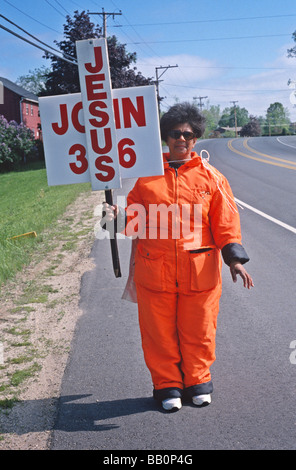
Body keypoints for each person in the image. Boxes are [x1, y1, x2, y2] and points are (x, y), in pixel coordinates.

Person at [103, 102, 254, 412]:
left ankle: (198, 381)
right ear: (166, 137)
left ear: (195, 139)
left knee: (199, 330)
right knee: (158, 334)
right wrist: (114, 217)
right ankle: (167, 385)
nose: (181, 139)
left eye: (188, 134)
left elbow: (225, 223)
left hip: (198, 273)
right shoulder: (147, 179)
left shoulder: (212, 178)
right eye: (175, 133)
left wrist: (234, 259)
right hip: (153, 272)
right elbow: (135, 221)